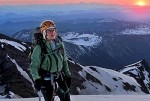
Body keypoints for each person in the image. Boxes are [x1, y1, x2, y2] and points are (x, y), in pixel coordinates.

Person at [29, 20, 71, 101]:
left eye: (54, 30)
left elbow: (64, 60)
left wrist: (68, 75)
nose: (52, 32)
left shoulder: (59, 44)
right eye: (49, 30)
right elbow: (34, 66)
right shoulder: (39, 48)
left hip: (59, 75)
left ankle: (58, 90)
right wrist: (37, 79)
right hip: (46, 78)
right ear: (44, 32)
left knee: (66, 98)